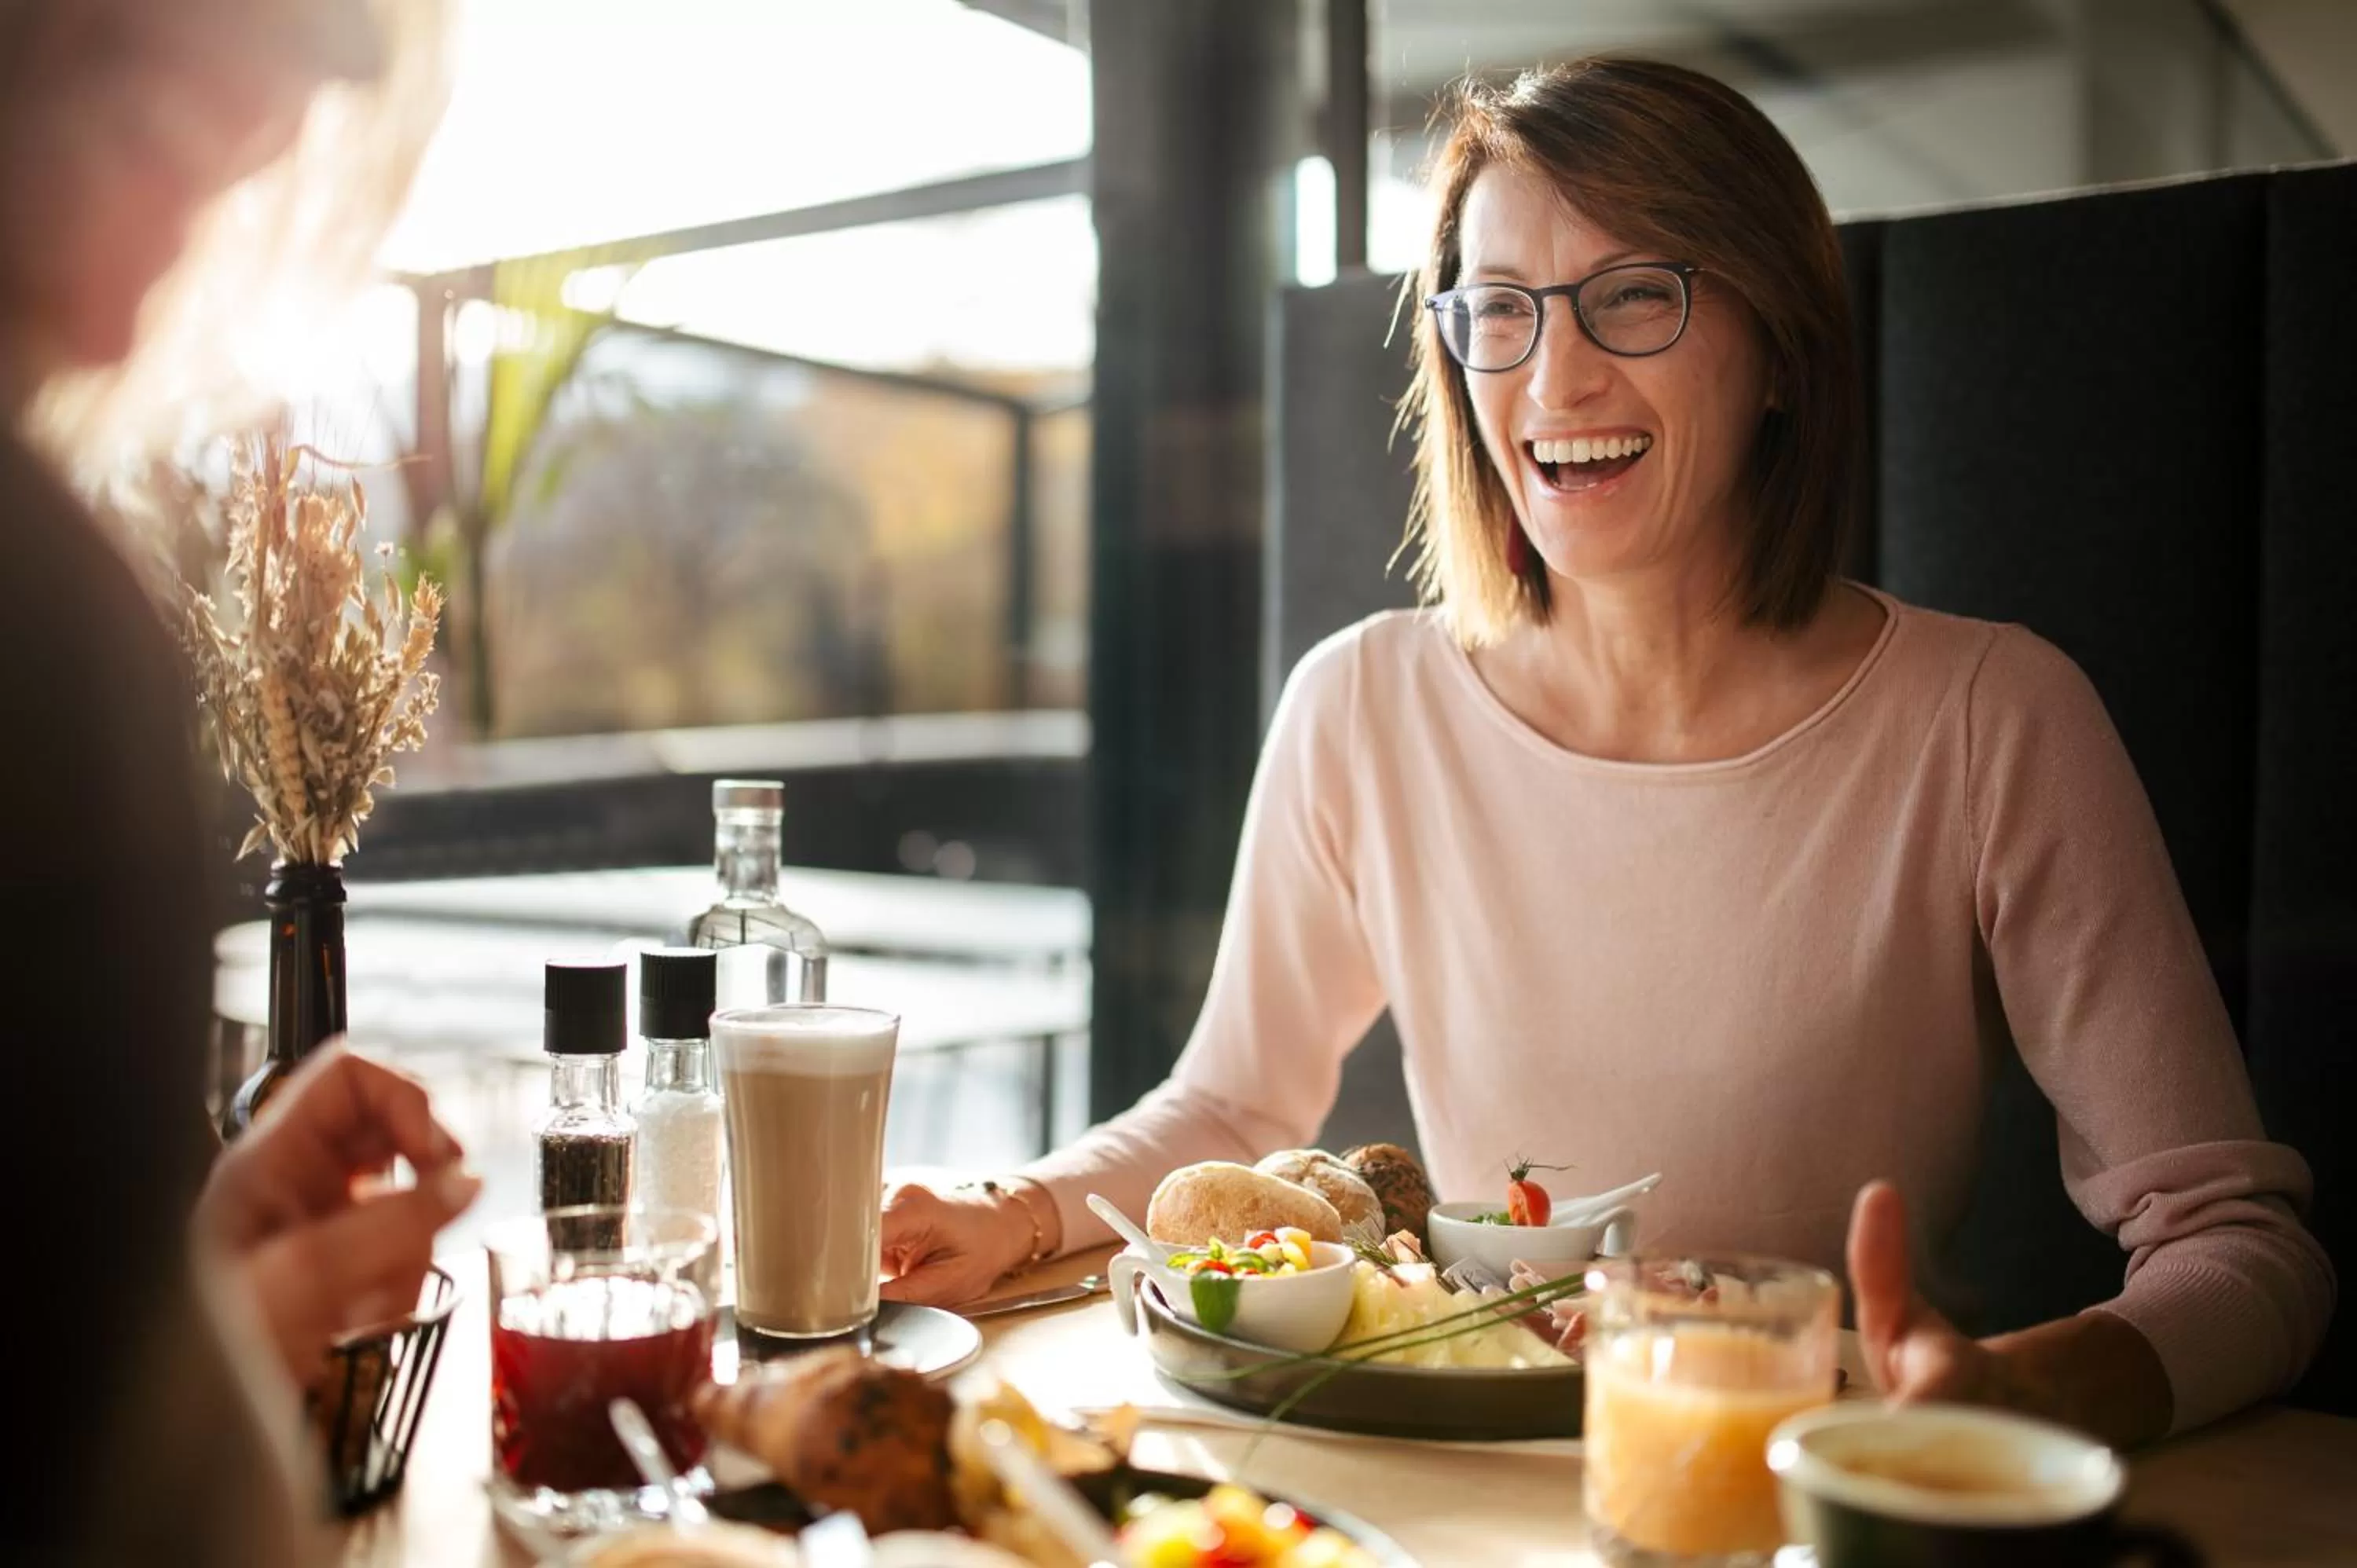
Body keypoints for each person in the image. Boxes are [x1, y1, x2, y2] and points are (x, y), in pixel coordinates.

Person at [879, 57, 2334, 1447]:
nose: (1553, 379)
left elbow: (2241, 1249)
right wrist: (1008, 1205)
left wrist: (2029, 1391)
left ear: (1779, 349)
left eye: (1635, 297)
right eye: (1499, 310)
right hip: (1462, 1471)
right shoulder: (1360, 706)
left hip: (1805, 1484)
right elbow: (1230, 1106)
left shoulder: (1993, 718)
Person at [2, 2, 471, 1562]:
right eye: (158, 142)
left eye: (227, 177)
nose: (165, 284)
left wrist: (187, 1272)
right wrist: (214, 1351)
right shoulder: (45, 615)